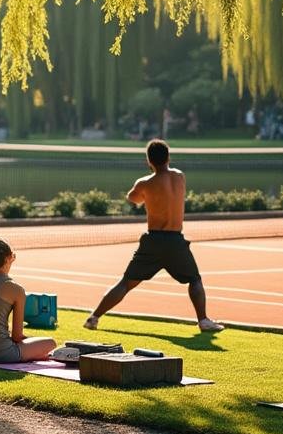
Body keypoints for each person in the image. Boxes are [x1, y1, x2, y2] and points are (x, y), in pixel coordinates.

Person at [85, 139, 224, 332]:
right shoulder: (180, 177)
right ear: (168, 157)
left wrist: (144, 193)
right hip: (175, 241)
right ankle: (203, 320)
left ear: (149, 161)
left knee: (126, 282)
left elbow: (133, 198)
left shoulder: (144, 183)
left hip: (153, 241)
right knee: (194, 280)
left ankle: (94, 318)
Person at [0, 239, 56, 362]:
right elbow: (17, 337)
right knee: (50, 343)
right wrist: (33, 341)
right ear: (9, 258)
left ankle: (34, 355)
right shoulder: (16, 289)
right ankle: (35, 355)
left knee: (36, 347)